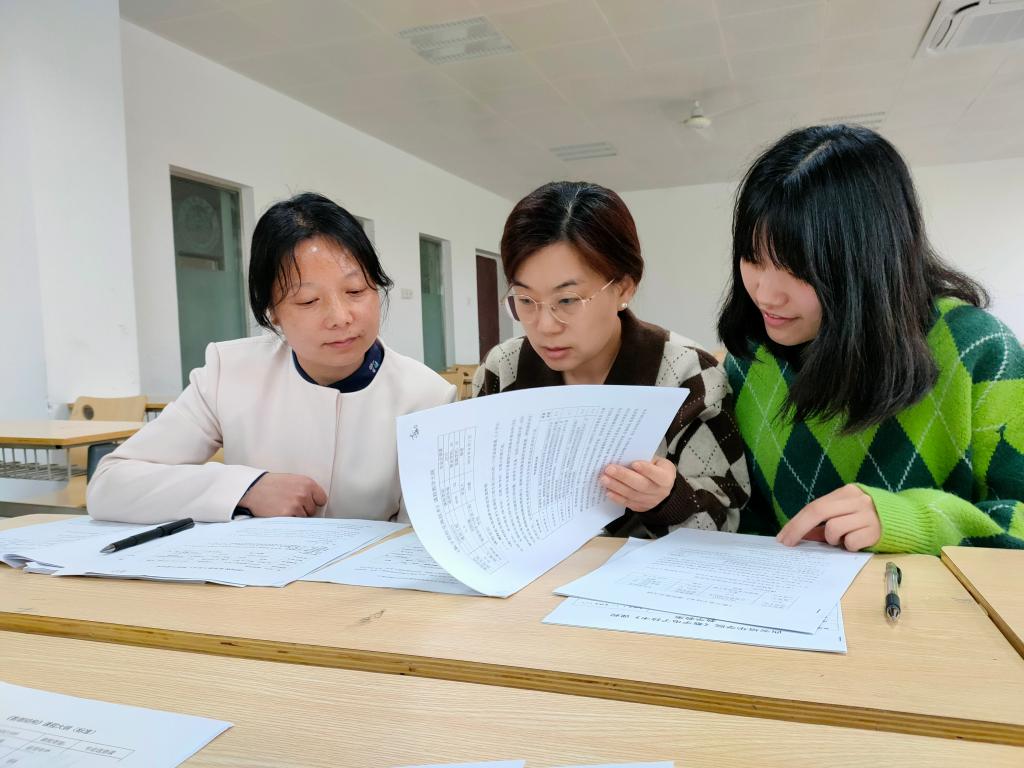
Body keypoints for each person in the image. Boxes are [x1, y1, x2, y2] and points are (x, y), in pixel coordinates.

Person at [718, 124, 1024, 554]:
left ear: (869, 260)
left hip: (921, 598)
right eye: (752, 258)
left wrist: (911, 520)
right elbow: (742, 519)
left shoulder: (980, 349)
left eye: (798, 268)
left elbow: (1019, 517)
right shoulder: (750, 358)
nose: (765, 294)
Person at [88, 192, 455, 524]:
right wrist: (246, 489)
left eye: (356, 290)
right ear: (272, 312)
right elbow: (110, 484)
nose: (341, 317)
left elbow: (425, 536)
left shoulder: (426, 397)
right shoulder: (229, 372)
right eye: (308, 301)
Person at [473, 181, 749, 537]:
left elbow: (727, 519)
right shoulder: (502, 369)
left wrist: (667, 499)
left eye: (567, 300)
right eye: (525, 301)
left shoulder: (689, 375)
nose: (544, 326)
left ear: (624, 287)